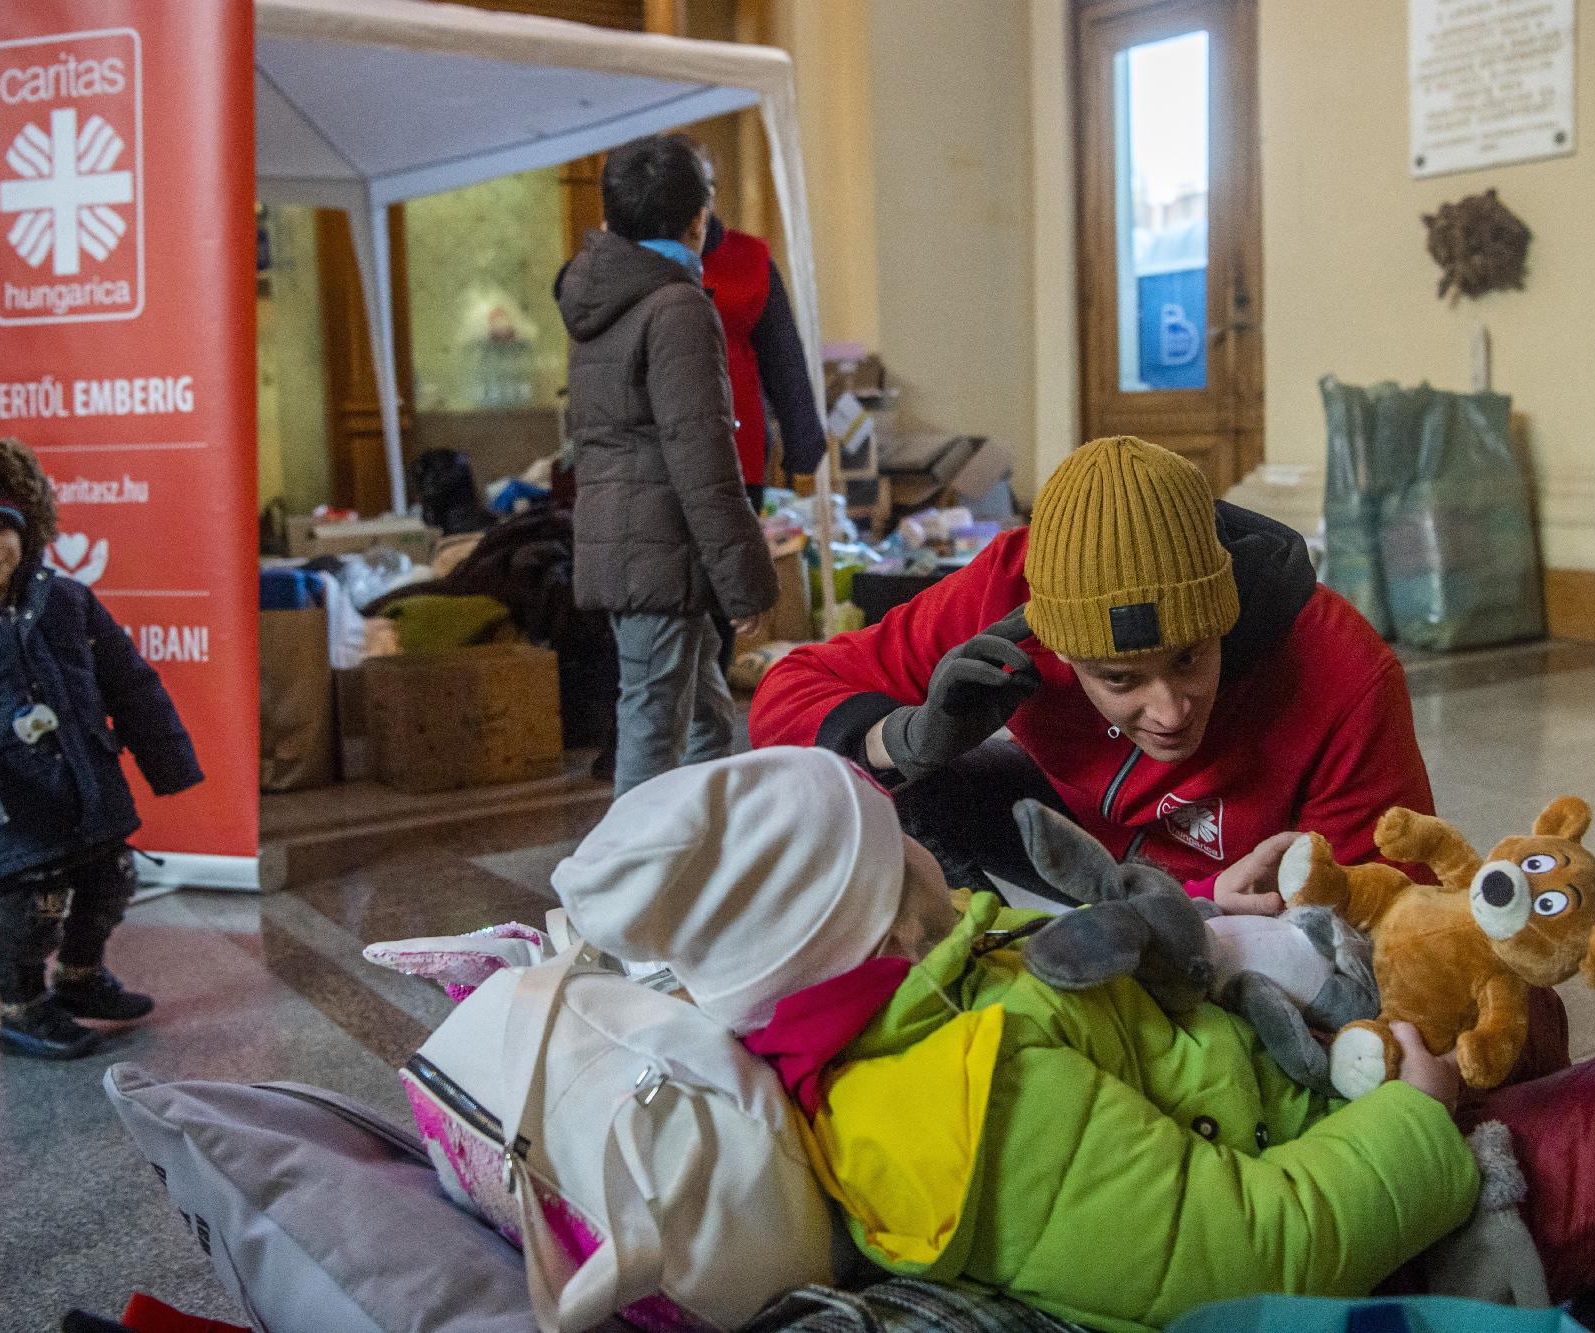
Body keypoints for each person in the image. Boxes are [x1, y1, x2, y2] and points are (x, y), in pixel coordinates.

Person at [553, 747, 1595, 1331]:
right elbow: (1232, 1255)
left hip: (1305, 1110)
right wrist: (1421, 1111)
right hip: (1371, 1219)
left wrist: (1206, 932)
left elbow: (1097, 1001)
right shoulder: (971, 1103)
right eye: (892, 835)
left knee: (1533, 1014)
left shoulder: (916, 990)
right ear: (876, 901)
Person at [750, 434, 1417, 913]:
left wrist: (1210, 917)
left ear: (1226, 613)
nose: (1170, 710)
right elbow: (788, 694)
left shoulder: (1343, 672)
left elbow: (1390, 914)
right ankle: (976, 972)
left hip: (1237, 899)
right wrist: (903, 739)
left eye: (1190, 657)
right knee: (876, 782)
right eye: (1120, 678)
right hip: (1082, 841)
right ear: (1055, 647)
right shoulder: (1008, 592)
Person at [0, 426, 202, 1060]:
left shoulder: (67, 603)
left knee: (110, 879)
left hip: (86, 785)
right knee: (34, 910)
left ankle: (81, 978)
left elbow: (128, 682)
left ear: (28, 528)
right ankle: (22, 1008)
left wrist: (167, 757)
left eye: (2, 529)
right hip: (6, 807)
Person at [556, 134, 777, 796]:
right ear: (698, 220)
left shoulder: (601, 297)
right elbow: (701, 455)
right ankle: (626, 887)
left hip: (625, 540)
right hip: (659, 550)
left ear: (609, 217)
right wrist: (747, 581)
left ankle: (707, 855)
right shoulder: (676, 304)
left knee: (708, 713)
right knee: (651, 726)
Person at [670, 134, 829, 507]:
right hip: (661, 450)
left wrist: (802, 437)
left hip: (738, 442)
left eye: (705, 184)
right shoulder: (640, 259)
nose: (700, 197)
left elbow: (782, 353)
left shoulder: (750, 258)